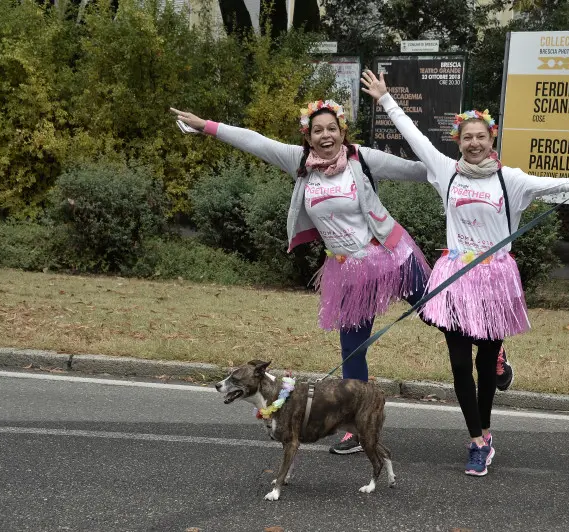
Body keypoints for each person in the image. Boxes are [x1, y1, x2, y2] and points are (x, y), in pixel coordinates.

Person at [360, 71, 569, 476]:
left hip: (495, 280)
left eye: (481, 137)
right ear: (459, 141)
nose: (474, 143)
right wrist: (386, 99)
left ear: (492, 140)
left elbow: (550, 185)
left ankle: (486, 430)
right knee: (458, 364)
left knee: (485, 364)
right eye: (467, 137)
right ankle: (476, 441)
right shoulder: (446, 171)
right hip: (455, 275)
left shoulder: (512, 180)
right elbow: (414, 136)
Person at [171, 100, 432, 455]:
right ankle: (357, 428)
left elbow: (419, 170)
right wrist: (206, 125)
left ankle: (494, 357)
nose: (326, 136)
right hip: (349, 269)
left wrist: (459, 169)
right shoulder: (300, 162)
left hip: (392, 253)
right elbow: (255, 141)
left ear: (342, 132)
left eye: (332, 129)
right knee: (353, 349)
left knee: (439, 314)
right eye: (318, 130)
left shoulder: (363, 158)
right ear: (308, 136)